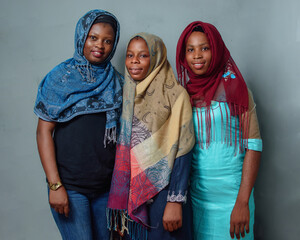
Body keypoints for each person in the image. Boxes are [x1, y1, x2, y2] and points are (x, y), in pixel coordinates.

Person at [34, 9, 123, 240]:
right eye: (93, 37)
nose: (100, 46)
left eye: (107, 41)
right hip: (70, 187)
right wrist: (55, 186)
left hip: (107, 189)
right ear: (82, 36)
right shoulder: (60, 78)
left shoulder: (117, 82)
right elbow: (44, 131)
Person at [176, 21, 262, 240]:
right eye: (190, 49)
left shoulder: (237, 89)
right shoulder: (182, 94)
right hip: (198, 197)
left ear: (216, 50)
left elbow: (253, 145)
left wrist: (243, 202)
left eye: (204, 48)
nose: (197, 55)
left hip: (234, 196)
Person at [106, 33, 195, 240]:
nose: (134, 61)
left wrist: (175, 200)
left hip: (165, 191)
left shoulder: (176, 94)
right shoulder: (126, 93)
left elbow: (184, 148)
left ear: (156, 58)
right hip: (130, 193)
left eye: (143, 55)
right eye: (130, 55)